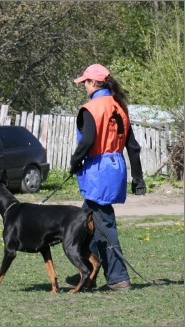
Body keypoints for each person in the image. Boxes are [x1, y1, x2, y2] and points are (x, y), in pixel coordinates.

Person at [67, 63, 146, 291]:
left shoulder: (91, 108)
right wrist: (138, 178)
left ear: (93, 82)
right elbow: (132, 146)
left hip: (98, 171)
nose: (84, 86)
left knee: (104, 224)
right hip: (116, 168)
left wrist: (74, 162)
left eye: (85, 82)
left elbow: (88, 141)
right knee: (85, 222)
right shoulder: (119, 106)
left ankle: (119, 278)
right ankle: (87, 272)